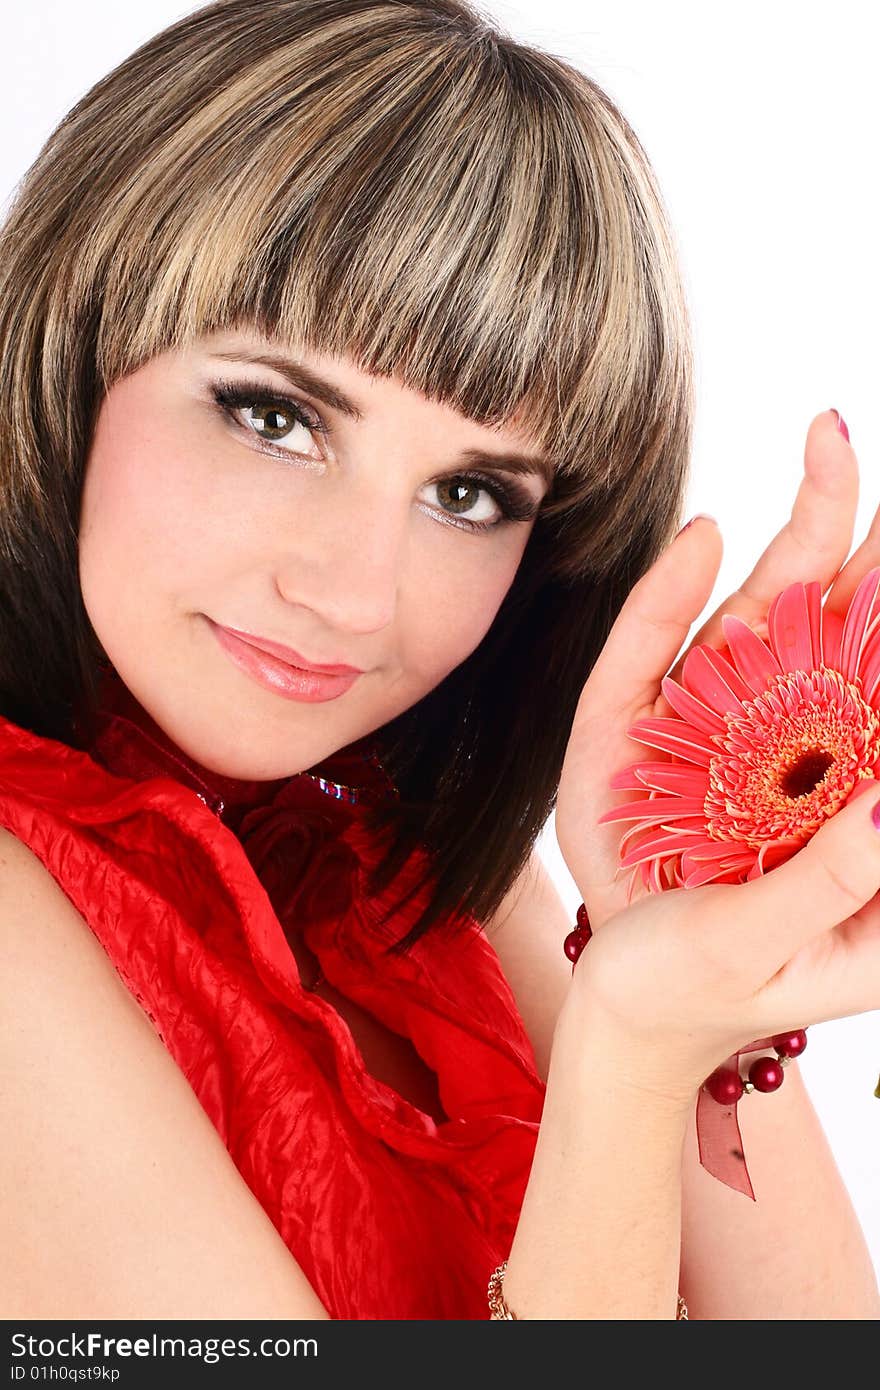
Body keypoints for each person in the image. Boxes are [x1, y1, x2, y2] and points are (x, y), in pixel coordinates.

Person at [1, 0, 878, 1322]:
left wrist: (683, 908)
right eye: (275, 416)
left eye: (471, 493)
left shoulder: (425, 878)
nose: (353, 595)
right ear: (77, 346)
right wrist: (630, 1058)